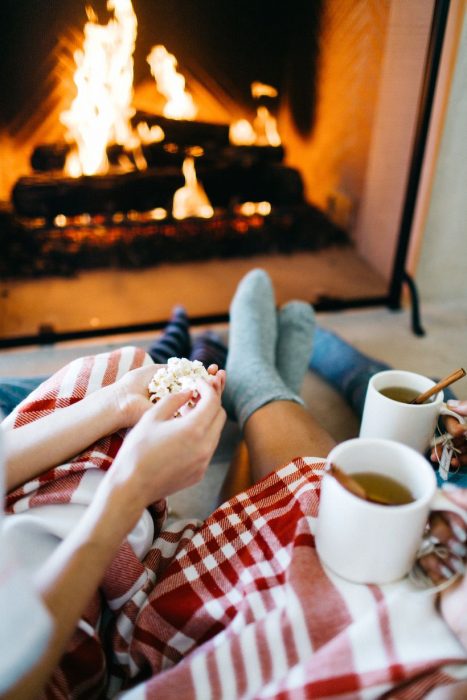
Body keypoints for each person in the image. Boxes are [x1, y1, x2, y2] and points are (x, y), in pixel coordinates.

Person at [1, 269, 467, 699]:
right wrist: (129, 488)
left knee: (119, 372)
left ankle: (250, 382)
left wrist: (118, 403)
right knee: (326, 523)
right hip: (84, 594)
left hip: (47, 519)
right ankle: (262, 384)